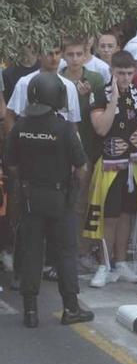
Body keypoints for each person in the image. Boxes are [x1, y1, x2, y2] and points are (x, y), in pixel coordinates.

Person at [6, 71, 94, 327]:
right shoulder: (64, 128)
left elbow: (11, 165)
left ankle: (30, 312)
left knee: (32, 252)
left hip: (30, 197)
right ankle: (71, 308)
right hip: (60, 198)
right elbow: (81, 166)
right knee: (65, 253)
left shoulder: (20, 127)